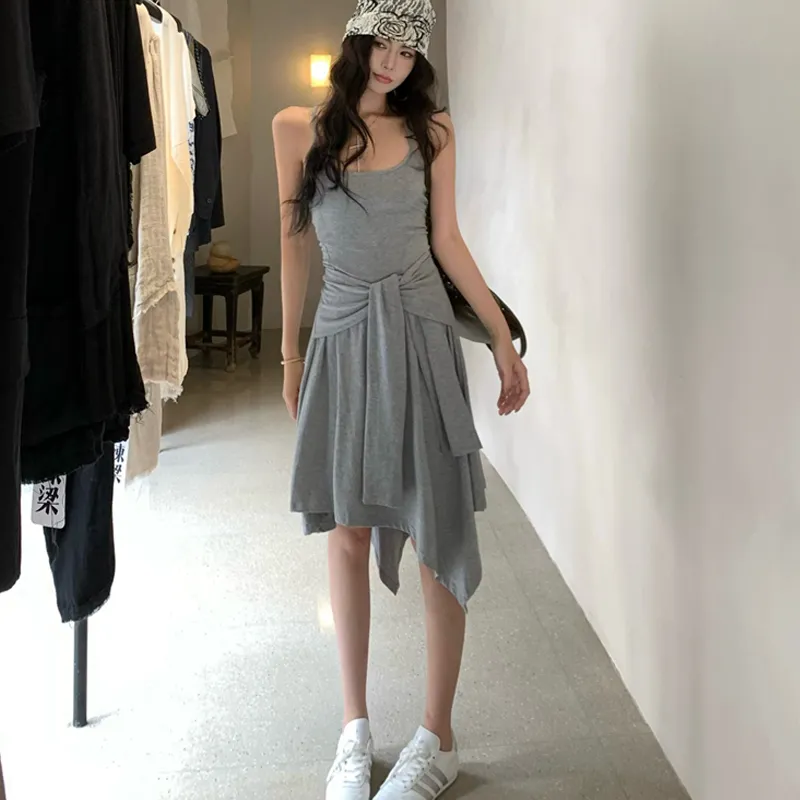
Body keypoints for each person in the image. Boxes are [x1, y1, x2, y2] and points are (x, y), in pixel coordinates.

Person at [272, 1, 529, 797]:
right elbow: (294, 246)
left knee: (436, 524)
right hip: (344, 338)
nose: (392, 63)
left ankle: (437, 737)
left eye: (408, 52)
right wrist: (289, 353)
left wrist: (500, 337)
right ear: (358, 39)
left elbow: (447, 241)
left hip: (420, 336)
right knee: (347, 530)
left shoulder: (432, 132)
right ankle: (354, 730)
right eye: (382, 44)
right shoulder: (298, 128)